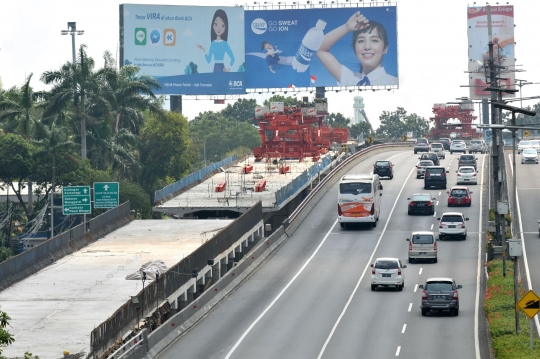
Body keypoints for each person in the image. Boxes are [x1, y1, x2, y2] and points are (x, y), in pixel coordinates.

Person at [317, 11, 397, 86]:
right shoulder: (350, 80)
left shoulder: (395, 83)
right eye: (361, 41)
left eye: (374, 40)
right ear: (355, 49)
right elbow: (319, 48)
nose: (367, 47)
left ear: (385, 48)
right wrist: (347, 27)